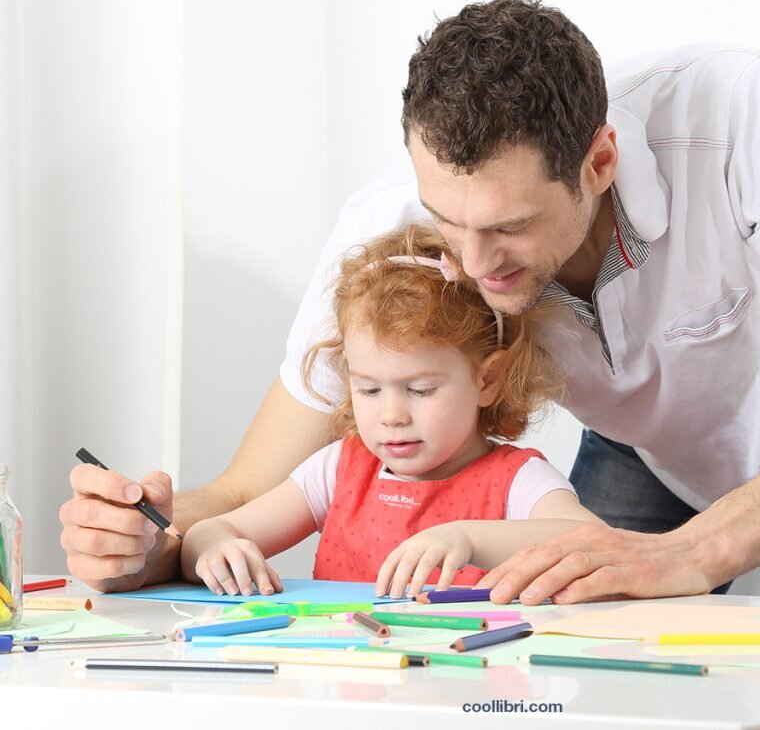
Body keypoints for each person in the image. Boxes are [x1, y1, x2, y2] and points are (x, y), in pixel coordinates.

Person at [62, 0, 760, 606]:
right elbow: (239, 494)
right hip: (656, 445)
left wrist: (686, 555)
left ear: (599, 162)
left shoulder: (734, 112)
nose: (475, 263)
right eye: (449, 220)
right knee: (594, 680)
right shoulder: (392, 230)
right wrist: (145, 539)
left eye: (511, 229)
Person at [178, 223, 601, 598]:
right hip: (351, 680)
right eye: (369, 389)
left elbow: (593, 540)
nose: (392, 415)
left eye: (419, 389)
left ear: (486, 380)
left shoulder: (517, 481)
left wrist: (468, 538)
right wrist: (216, 547)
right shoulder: (337, 471)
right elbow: (209, 533)